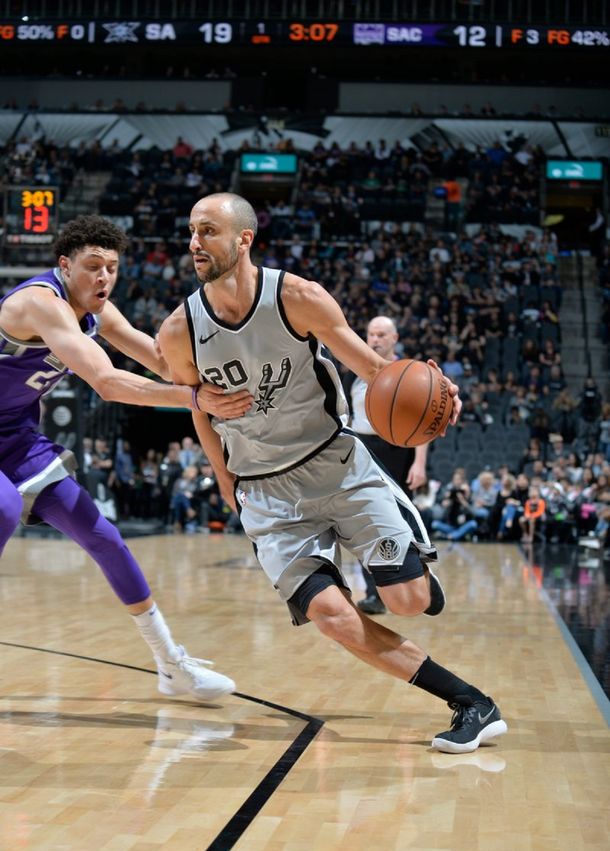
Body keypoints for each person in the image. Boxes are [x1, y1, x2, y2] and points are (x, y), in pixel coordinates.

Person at [158, 192, 508, 754]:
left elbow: (375, 371)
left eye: (208, 231)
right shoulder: (180, 332)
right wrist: (224, 479)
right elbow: (201, 408)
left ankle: (415, 574)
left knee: (408, 603)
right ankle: (471, 703)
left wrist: (437, 397)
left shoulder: (297, 298)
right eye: (191, 232)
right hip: (267, 496)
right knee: (335, 619)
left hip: (336, 466)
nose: (194, 243)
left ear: (244, 239)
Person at [0, 215, 253, 701]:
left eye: (112, 268)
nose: (104, 278)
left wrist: (222, 377)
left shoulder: (99, 312)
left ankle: (171, 665)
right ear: (64, 266)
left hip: (14, 436)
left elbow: (160, 359)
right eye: (93, 267)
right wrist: (196, 400)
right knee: (5, 508)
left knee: (105, 538)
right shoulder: (39, 304)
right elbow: (109, 382)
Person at [342, 315, 428, 615]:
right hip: (362, 448)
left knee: (401, 521)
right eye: (370, 334)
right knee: (363, 522)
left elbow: (422, 421)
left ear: (394, 338)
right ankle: (374, 594)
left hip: (397, 448)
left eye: (381, 334)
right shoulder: (353, 373)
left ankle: (418, 583)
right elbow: (347, 419)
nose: (375, 339)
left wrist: (419, 462)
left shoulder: (407, 373)